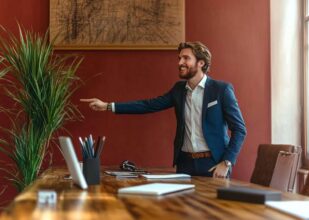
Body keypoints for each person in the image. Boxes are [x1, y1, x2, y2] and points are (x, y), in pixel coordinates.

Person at [81, 41, 247, 178]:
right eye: (179, 58)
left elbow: (240, 129)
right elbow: (148, 105)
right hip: (185, 164)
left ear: (201, 63)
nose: (180, 62)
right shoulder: (178, 90)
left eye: (186, 58)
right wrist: (108, 106)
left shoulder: (221, 90)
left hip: (214, 165)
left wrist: (226, 162)